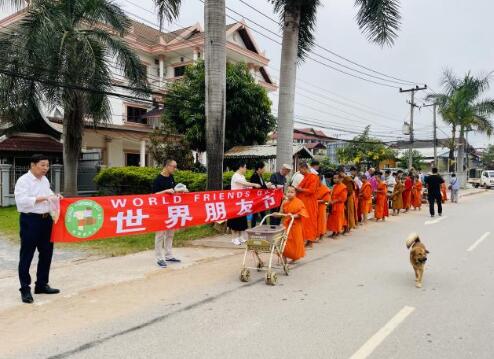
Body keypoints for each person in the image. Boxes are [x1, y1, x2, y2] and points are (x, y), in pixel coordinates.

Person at [15, 154, 61, 304]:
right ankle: (25, 288)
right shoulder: (23, 181)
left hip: (46, 220)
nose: (45, 168)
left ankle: (41, 284)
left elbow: (49, 197)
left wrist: (55, 197)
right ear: (33, 165)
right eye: (42, 165)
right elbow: (21, 202)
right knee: (27, 254)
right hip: (30, 220)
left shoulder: (45, 180)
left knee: (47, 252)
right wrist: (43, 198)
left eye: (47, 165)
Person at [153, 159, 187, 267]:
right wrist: (165, 191)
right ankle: (159, 258)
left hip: (171, 210)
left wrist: (181, 191)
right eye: (173, 166)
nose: (175, 169)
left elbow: (173, 190)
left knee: (170, 233)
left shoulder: (171, 177)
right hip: (160, 210)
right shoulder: (158, 179)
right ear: (167, 166)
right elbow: (154, 195)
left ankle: (168, 255)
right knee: (160, 235)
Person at [227, 162, 261, 245]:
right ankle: (234, 238)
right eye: (245, 167)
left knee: (242, 219)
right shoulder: (235, 176)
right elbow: (244, 183)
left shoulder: (242, 176)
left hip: (242, 201)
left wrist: (253, 187)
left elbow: (246, 186)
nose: (246, 169)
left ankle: (240, 237)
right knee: (234, 219)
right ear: (240, 167)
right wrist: (254, 184)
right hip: (235, 201)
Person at [277, 186, 308, 263]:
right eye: (288, 192)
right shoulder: (284, 202)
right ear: (285, 193)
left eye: (292, 192)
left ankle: (294, 257)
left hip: (295, 225)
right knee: (283, 241)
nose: (290, 194)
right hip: (285, 224)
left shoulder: (299, 202)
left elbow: (302, 213)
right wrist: (276, 214)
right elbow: (281, 213)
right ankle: (284, 258)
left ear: (295, 193)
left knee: (294, 243)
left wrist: (293, 216)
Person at [295, 162, 320, 247]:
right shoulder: (305, 177)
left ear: (304, 168)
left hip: (310, 202)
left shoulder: (314, 177)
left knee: (310, 221)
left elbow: (311, 190)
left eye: (300, 169)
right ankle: (306, 239)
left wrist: (300, 189)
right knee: (305, 221)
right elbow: (300, 188)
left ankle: (310, 241)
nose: (299, 171)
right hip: (304, 203)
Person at [327, 174, 347, 238]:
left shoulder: (343, 187)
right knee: (332, 219)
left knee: (338, 219)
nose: (335, 179)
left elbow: (343, 198)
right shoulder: (334, 186)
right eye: (334, 178)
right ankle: (333, 232)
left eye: (336, 178)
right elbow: (331, 194)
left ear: (341, 179)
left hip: (339, 205)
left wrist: (334, 201)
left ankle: (338, 232)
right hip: (333, 205)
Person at [250, 162, 269, 227]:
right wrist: (266, 185)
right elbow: (257, 187)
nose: (264, 170)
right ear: (259, 169)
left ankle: (265, 226)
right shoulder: (254, 176)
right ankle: (253, 228)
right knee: (255, 214)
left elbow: (262, 186)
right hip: (255, 198)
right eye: (263, 168)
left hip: (260, 198)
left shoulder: (260, 175)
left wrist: (266, 186)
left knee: (262, 213)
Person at [339, 167, 357, 232]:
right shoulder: (344, 179)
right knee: (344, 213)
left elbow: (350, 190)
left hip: (348, 197)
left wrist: (344, 196)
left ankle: (349, 227)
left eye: (340, 173)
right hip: (344, 197)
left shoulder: (347, 179)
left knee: (349, 212)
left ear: (342, 172)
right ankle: (345, 227)